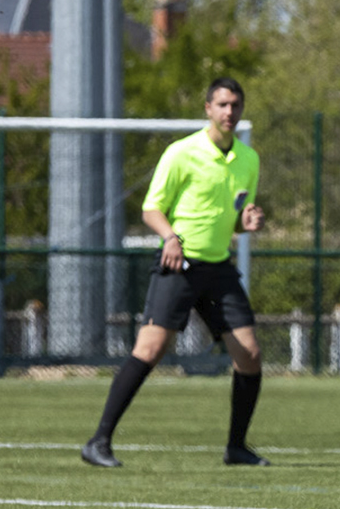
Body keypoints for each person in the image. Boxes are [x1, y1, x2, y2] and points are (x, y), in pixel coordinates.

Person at [80, 77, 268, 469]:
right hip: (178, 266)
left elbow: (233, 218)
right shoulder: (182, 153)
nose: (229, 112)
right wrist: (170, 237)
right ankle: (98, 441)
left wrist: (245, 223)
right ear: (207, 109)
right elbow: (152, 208)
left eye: (235, 105)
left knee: (249, 354)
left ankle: (236, 448)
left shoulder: (249, 161)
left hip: (217, 268)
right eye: (222, 105)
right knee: (149, 349)